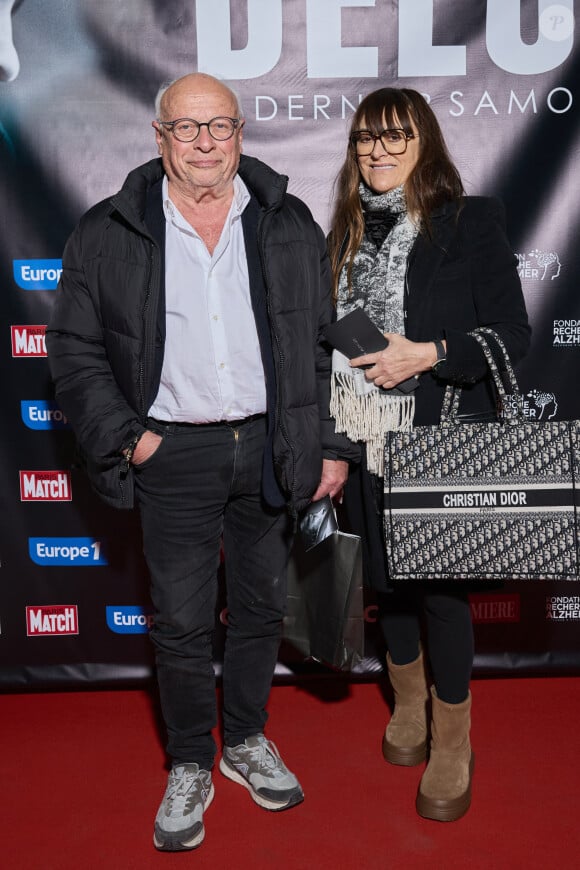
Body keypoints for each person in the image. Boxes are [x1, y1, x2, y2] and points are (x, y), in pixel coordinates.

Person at [46, 72, 349, 852]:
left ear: (240, 133)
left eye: (220, 126)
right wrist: (132, 438)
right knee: (180, 622)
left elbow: (323, 347)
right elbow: (75, 354)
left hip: (271, 443)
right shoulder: (107, 230)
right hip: (172, 452)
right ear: (160, 137)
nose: (206, 143)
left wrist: (327, 444)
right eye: (187, 128)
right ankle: (190, 759)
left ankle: (245, 740)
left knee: (258, 610)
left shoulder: (286, 221)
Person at [327, 87, 530, 822]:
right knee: (387, 587)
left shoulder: (471, 221)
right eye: (364, 140)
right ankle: (407, 706)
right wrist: (335, 447)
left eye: (394, 138)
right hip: (365, 443)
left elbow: (513, 335)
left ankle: (452, 737)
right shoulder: (345, 232)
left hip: (439, 438)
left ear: (426, 143)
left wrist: (432, 354)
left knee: (441, 593)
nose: (376, 152)